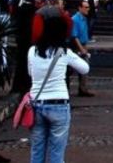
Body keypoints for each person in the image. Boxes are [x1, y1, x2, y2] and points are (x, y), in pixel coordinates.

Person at [29, 13, 89, 163]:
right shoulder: (64, 53)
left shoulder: (32, 51)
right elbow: (85, 69)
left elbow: (31, 73)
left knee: (37, 149)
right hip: (58, 104)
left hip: (36, 103)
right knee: (57, 153)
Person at [69, 0, 93, 97]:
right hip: (76, 46)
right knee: (71, 68)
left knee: (84, 67)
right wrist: (81, 49)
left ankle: (83, 89)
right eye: (86, 7)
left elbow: (84, 35)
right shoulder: (75, 19)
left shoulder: (84, 19)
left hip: (82, 45)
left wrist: (85, 47)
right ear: (80, 8)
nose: (88, 9)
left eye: (88, 7)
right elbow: (74, 36)